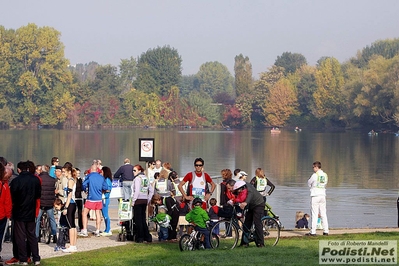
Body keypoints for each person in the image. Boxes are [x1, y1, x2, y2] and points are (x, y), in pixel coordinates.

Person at [10, 160, 41, 265]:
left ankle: (23, 258)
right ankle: (36, 257)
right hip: (31, 211)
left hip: (19, 211)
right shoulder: (35, 180)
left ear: (19, 170)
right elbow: (38, 195)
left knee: (20, 236)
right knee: (32, 235)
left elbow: (12, 197)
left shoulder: (16, 181)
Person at [226, 179, 265, 248]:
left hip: (258, 204)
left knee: (257, 222)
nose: (228, 190)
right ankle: (244, 243)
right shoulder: (238, 189)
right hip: (250, 205)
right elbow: (238, 197)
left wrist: (245, 202)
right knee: (246, 223)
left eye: (229, 188)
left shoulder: (246, 186)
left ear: (233, 186)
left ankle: (261, 243)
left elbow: (250, 194)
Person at [79, 161, 105, 237]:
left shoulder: (89, 176)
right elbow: (105, 187)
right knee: (98, 214)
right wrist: (101, 191)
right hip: (99, 198)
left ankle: (85, 230)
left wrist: (85, 190)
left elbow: (83, 185)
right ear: (97, 169)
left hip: (91, 198)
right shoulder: (101, 177)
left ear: (91, 169)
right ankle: (97, 230)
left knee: (84, 213)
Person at [131, 164, 154, 243]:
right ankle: (147, 237)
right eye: (133, 170)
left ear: (139, 171)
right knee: (143, 219)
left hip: (138, 200)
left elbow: (137, 191)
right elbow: (151, 190)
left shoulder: (137, 179)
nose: (133, 172)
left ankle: (140, 237)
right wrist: (148, 199)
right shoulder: (146, 178)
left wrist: (133, 201)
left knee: (138, 220)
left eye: (135, 170)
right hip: (144, 200)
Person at [306, 161, 329, 236]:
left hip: (315, 195)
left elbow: (309, 183)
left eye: (313, 167)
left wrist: (312, 186)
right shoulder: (325, 175)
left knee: (314, 214)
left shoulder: (314, 175)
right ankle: (326, 231)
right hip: (323, 195)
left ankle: (313, 232)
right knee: (323, 214)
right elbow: (325, 183)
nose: (313, 169)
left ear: (316, 167)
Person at [35, 165, 57, 244]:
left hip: (41, 202)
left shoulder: (38, 179)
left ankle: (37, 236)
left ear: (41, 170)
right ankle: (54, 235)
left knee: (37, 219)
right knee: (52, 218)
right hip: (49, 202)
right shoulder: (52, 180)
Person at [0, 163, 12, 264]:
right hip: (2, 215)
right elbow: (7, 201)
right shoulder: (4, 186)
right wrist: (8, 214)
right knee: (0, 237)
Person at [100, 166, 113, 236]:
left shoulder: (107, 180)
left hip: (105, 198)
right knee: (104, 214)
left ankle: (108, 229)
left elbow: (108, 189)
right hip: (103, 198)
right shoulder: (105, 179)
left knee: (105, 215)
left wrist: (102, 191)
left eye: (102, 172)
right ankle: (106, 229)